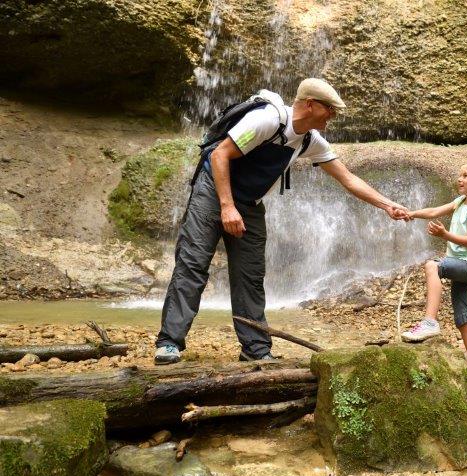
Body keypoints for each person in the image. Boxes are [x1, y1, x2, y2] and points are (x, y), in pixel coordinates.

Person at [154, 78, 409, 365]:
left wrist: (388, 205)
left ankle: (255, 349)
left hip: (250, 202)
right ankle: (169, 343)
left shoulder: (310, 140)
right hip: (213, 191)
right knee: (193, 264)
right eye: (330, 109)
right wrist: (226, 206)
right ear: (310, 104)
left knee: (250, 276)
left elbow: (348, 179)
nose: (333, 116)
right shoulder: (267, 121)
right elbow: (219, 155)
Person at [400, 161, 467, 382]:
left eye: (466, 176)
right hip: (459, 264)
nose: (459, 179)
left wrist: (444, 235)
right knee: (463, 318)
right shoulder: (460, 201)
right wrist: (411, 214)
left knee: (433, 265)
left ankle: (430, 322)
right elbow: (434, 211)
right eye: (459, 175)